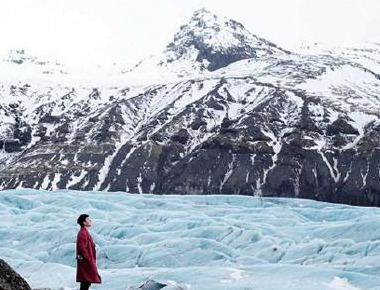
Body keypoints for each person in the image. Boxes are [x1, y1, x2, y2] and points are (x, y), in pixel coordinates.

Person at [76, 214, 102, 290]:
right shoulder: (83, 233)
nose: (90, 220)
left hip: (87, 261)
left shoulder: (84, 232)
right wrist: (88, 259)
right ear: (84, 222)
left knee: (86, 281)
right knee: (86, 281)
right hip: (86, 262)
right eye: (88, 219)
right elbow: (82, 248)